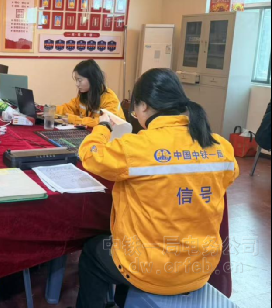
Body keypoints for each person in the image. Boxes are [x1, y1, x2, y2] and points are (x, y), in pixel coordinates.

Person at [74, 68, 239, 308]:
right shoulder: (220, 145)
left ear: (143, 106)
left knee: (93, 251)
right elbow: (230, 176)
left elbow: (90, 156)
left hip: (150, 269)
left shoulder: (138, 146)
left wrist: (103, 127)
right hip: (201, 267)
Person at [57, 60, 125, 127]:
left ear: (92, 79)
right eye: (76, 80)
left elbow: (104, 123)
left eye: (79, 80)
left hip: (114, 133)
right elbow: (68, 108)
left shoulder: (110, 99)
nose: (77, 84)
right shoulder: (85, 94)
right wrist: (51, 110)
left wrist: (75, 120)